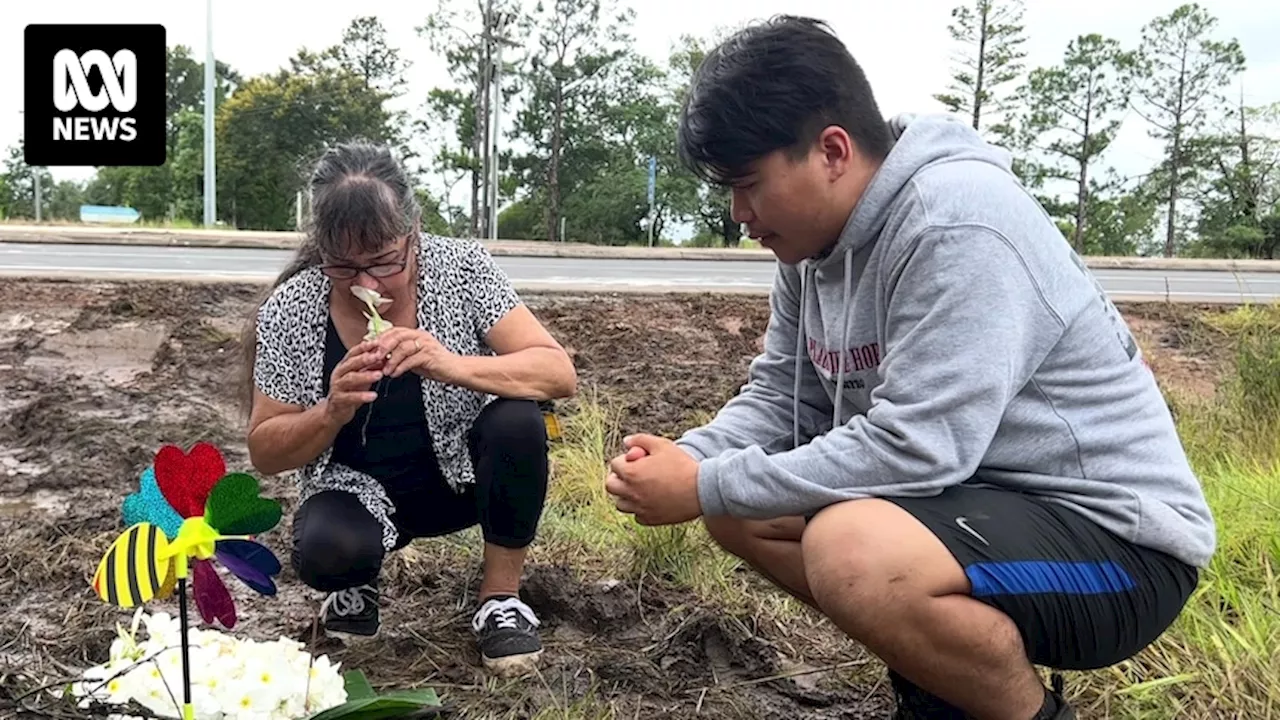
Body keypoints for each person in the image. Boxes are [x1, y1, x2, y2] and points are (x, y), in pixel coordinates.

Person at [604, 16, 1214, 720]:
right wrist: (690, 458)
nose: (739, 213)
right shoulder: (809, 248)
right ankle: (943, 693)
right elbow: (780, 398)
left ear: (832, 151)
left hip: (1119, 547)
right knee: (742, 512)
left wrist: (705, 483)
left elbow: (920, 447)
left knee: (848, 545)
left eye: (748, 184)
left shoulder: (957, 222)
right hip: (977, 512)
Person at [240, 140, 577, 677]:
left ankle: (500, 600)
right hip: (359, 491)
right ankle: (356, 586)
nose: (367, 286)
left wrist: (451, 364)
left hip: (461, 479)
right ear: (321, 250)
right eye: (345, 268)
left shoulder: (461, 268)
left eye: (384, 262)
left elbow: (558, 373)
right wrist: (330, 410)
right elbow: (265, 450)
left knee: (518, 420)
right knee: (327, 550)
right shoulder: (293, 307)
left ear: (413, 231)